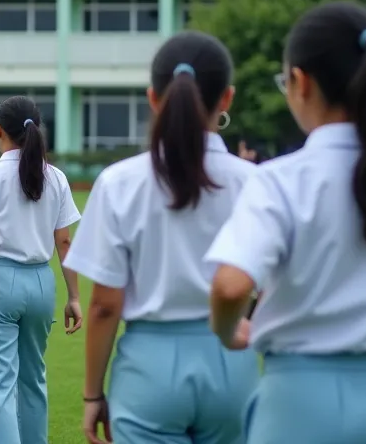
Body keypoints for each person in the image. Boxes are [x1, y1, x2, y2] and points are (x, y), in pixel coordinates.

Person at [207, 1, 366, 444]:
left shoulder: (280, 180)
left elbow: (229, 286)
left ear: (300, 82)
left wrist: (230, 331)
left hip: (300, 399)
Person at [64, 31, 259, 444]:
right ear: (226, 98)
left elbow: (104, 305)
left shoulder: (119, 182)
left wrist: (93, 393)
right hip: (231, 360)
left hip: (148, 368)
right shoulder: (256, 183)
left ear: (153, 98)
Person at [0, 95, 82, 444]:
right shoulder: (55, 177)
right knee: (33, 379)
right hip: (42, 283)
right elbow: (65, 243)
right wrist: (73, 296)